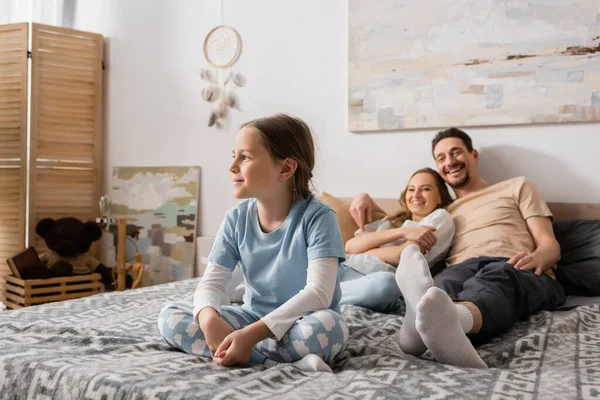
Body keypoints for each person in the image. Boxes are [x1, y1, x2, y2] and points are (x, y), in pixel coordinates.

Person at [353, 127, 565, 369]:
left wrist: (537, 259)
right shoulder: (442, 210)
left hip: (515, 265)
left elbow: (550, 245)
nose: (450, 162)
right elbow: (400, 216)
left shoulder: (516, 186)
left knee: (497, 278)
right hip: (462, 267)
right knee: (439, 288)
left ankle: (449, 321)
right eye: (441, 158)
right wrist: (363, 197)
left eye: (456, 153)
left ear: (474, 155)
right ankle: (422, 326)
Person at [157, 114, 348, 372]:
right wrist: (209, 318)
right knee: (170, 316)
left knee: (330, 328)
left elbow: (319, 294)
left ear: (285, 169)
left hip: (303, 321)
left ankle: (245, 350)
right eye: (233, 155)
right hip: (251, 318)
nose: (232, 166)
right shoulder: (235, 218)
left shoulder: (319, 217)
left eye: (245, 157)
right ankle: (278, 361)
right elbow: (212, 283)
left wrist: (249, 336)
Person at [339, 168, 455, 312]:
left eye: (425, 189)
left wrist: (365, 250)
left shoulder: (440, 217)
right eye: (411, 189)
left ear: (440, 197)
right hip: (344, 266)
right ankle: (315, 295)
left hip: (375, 278)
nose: (416, 195)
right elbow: (349, 247)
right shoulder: (391, 221)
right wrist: (403, 232)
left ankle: (316, 297)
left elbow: (401, 256)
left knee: (387, 286)